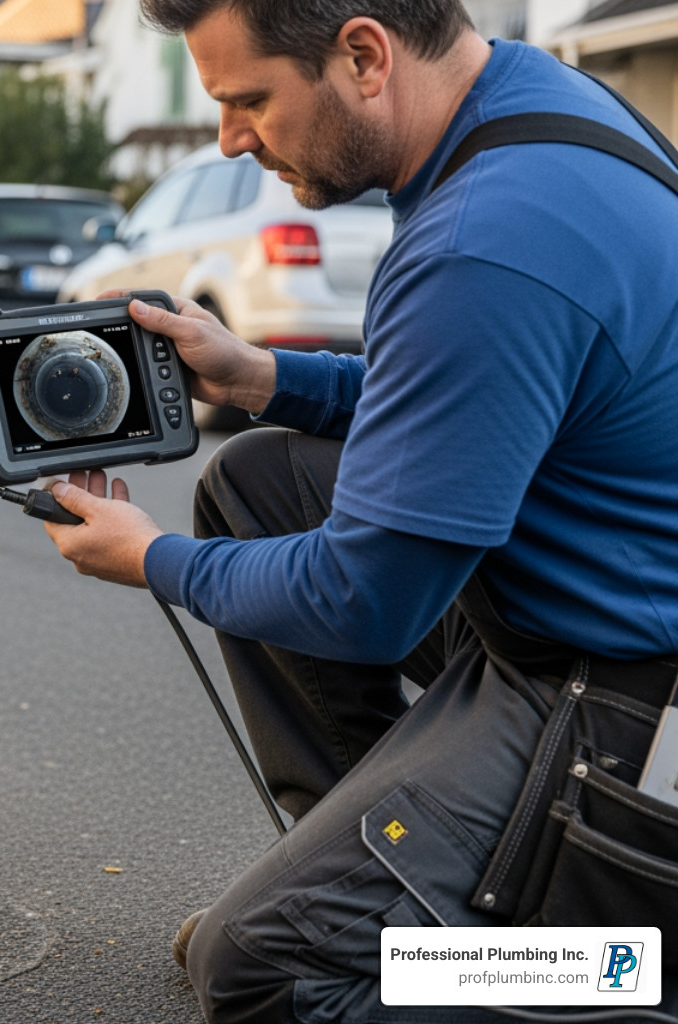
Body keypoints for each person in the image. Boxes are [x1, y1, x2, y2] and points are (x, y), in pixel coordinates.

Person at [42, 1, 678, 1021]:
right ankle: (361, 877)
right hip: (572, 584)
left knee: (266, 973)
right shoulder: (530, 103)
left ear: (365, 54)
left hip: (619, 691)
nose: (231, 139)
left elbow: (363, 599)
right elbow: (464, 403)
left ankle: (621, 981)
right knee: (257, 484)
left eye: (250, 100)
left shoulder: (484, 240)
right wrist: (260, 374)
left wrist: (152, 558)